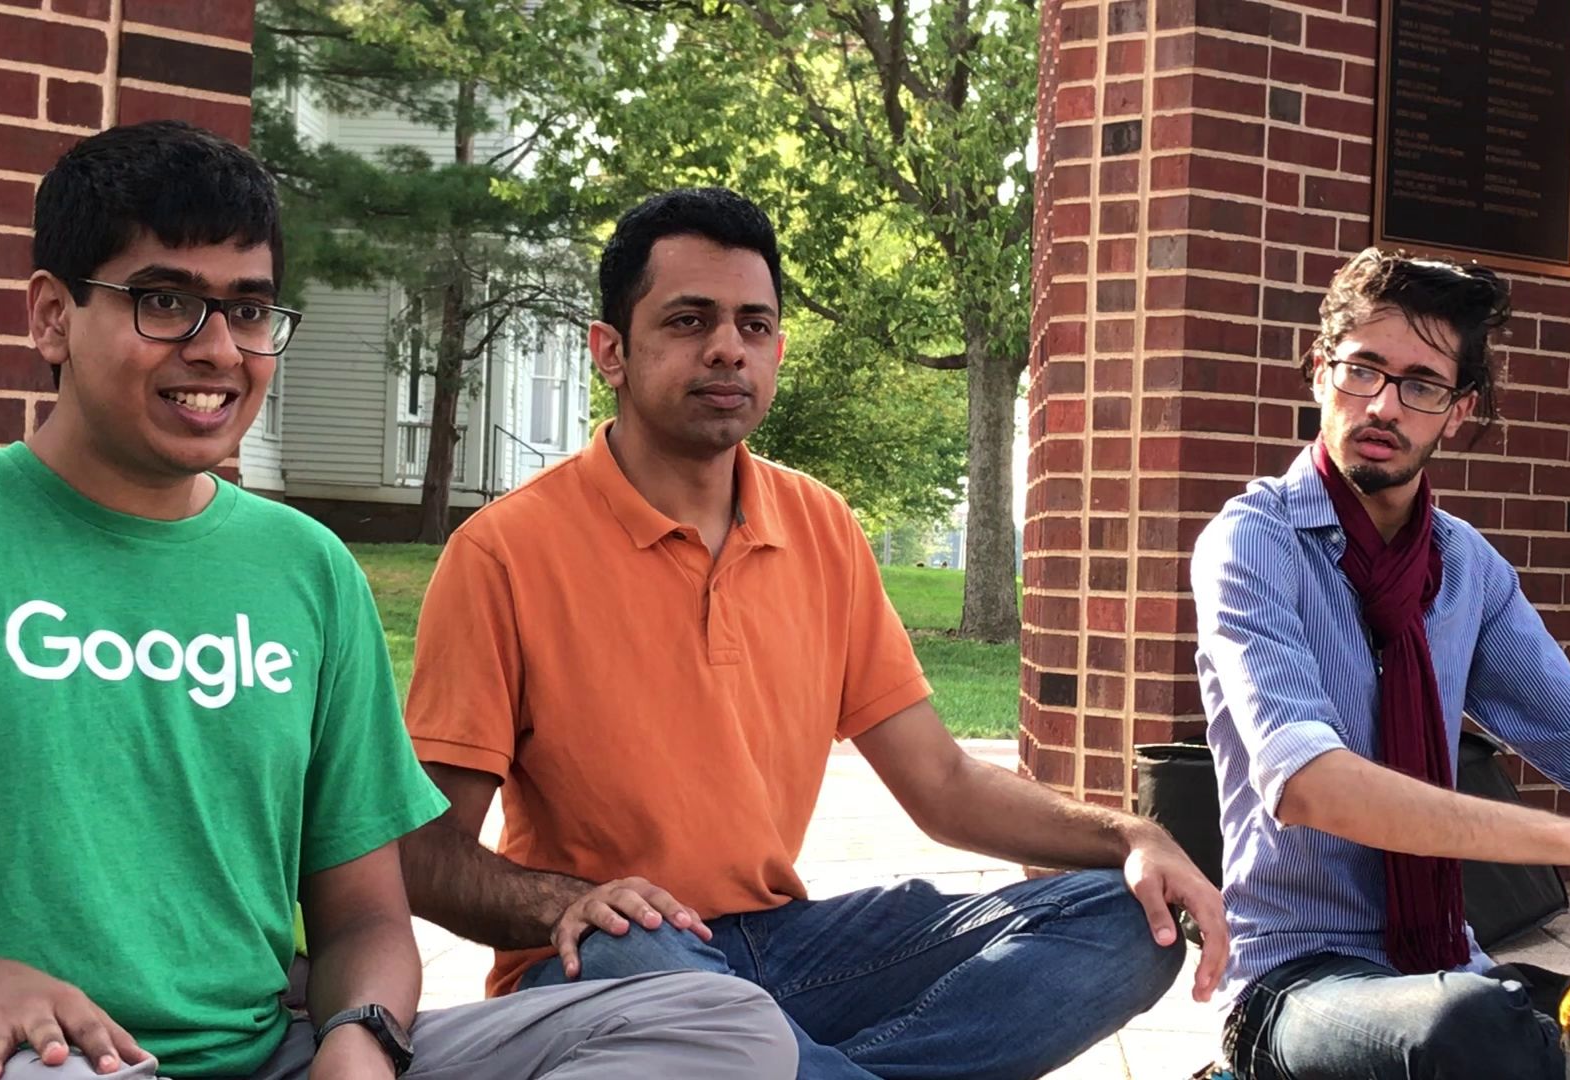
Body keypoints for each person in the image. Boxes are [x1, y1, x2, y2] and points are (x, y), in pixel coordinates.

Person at [0, 121, 796, 1080]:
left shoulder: (308, 572)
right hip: (23, 1065)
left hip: (275, 1056)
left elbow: (365, 923)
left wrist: (360, 1038)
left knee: (717, 1025)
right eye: (165, 301)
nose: (216, 350)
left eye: (248, 310)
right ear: (51, 316)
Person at [398, 186, 1225, 1079]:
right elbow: (427, 856)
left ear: (778, 351)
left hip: (789, 948)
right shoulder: (505, 553)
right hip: (614, 964)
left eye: (754, 326)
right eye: (687, 320)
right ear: (611, 352)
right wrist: (576, 903)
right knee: (641, 958)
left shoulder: (821, 526)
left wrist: (1130, 838)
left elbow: (940, 784)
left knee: (1121, 921)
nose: (727, 347)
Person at [1193, 247, 1570, 1079]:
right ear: (1319, 373)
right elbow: (1311, 782)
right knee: (1469, 1028)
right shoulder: (1252, 542)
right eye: (1362, 371)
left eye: (1421, 385)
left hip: (1442, 956)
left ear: (1457, 411)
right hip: (1295, 980)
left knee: (1526, 1019)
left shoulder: (1467, 569)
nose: (1383, 404)